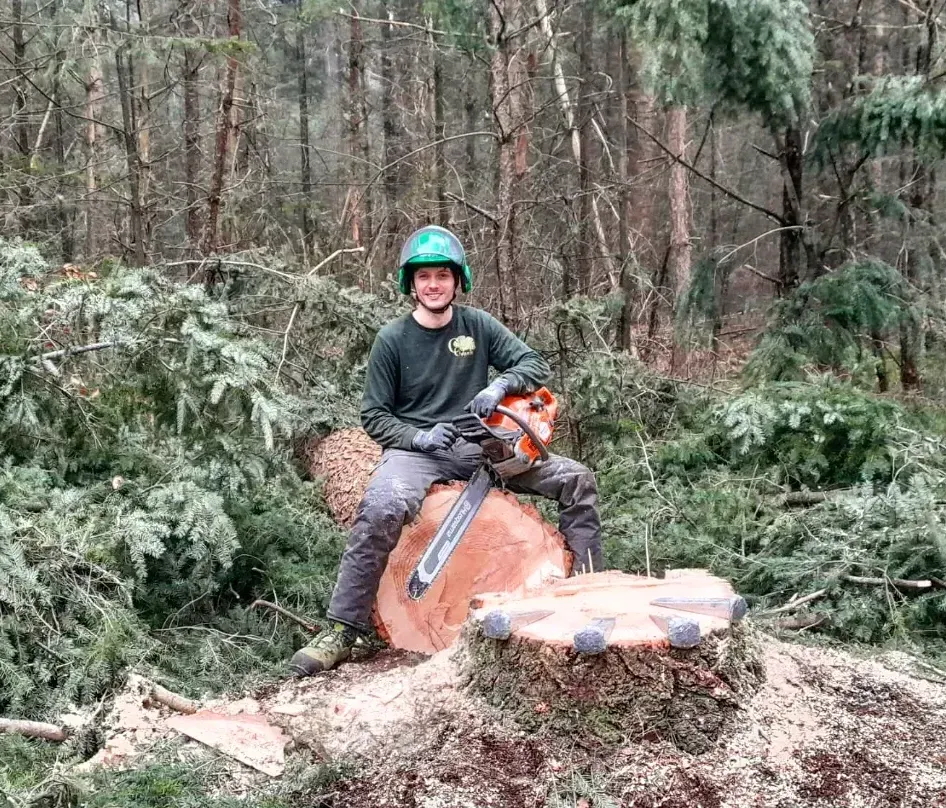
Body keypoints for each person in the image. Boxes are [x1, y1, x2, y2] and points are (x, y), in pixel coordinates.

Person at [290, 225, 603, 676]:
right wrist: (418, 438)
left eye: (441, 275)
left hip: (482, 445)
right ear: (410, 285)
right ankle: (343, 627)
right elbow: (374, 418)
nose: (433, 285)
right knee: (382, 505)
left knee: (577, 479)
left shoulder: (477, 325)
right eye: (423, 277)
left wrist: (501, 384)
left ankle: (588, 595)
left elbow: (535, 363)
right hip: (417, 450)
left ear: (458, 280)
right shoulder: (392, 340)